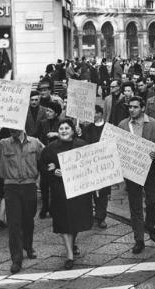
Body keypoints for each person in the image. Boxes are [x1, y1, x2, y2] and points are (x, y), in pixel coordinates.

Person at [0, 127, 44, 274]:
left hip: (29, 186)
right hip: (11, 188)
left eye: (14, 127)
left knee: (28, 220)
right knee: (14, 223)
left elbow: (46, 157)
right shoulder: (2, 144)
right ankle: (16, 259)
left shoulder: (35, 143)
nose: (11, 130)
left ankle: (28, 246)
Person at [39, 119, 93, 270]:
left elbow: (91, 164)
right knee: (63, 222)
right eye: (61, 128)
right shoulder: (51, 148)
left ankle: (73, 242)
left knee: (74, 221)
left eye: (66, 128)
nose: (63, 130)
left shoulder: (82, 145)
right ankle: (69, 255)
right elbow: (42, 165)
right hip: (59, 191)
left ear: (72, 130)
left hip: (78, 190)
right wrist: (52, 170)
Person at [118, 96, 155, 254]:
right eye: (130, 107)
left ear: (143, 108)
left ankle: (150, 225)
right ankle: (139, 239)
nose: (132, 109)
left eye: (135, 107)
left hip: (150, 170)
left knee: (152, 203)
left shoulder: (154, 125)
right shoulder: (123, 125)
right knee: (135, 206)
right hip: (132, 171)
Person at [83, 105, 109, 229]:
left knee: (103, 193)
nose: (91, 116)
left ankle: (101, 217)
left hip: (104, 164)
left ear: (100, 114)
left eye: (93, 113)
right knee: (90, 191)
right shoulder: (87, 128)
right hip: (90, 164)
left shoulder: (108, 128)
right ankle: (89, 216)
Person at [35, 100, 62, 218]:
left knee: (55, 183)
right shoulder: (42, 123)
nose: (47, 113)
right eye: (47, 110)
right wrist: (41, 145)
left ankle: (54, 207)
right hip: (44, 156)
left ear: (56, 113)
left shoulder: (61, 123)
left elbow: (69, 136)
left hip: (57, 157)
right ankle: (45, 207)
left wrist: (56, 134)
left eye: (50, 111)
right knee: (44, 183)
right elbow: (36, 136)